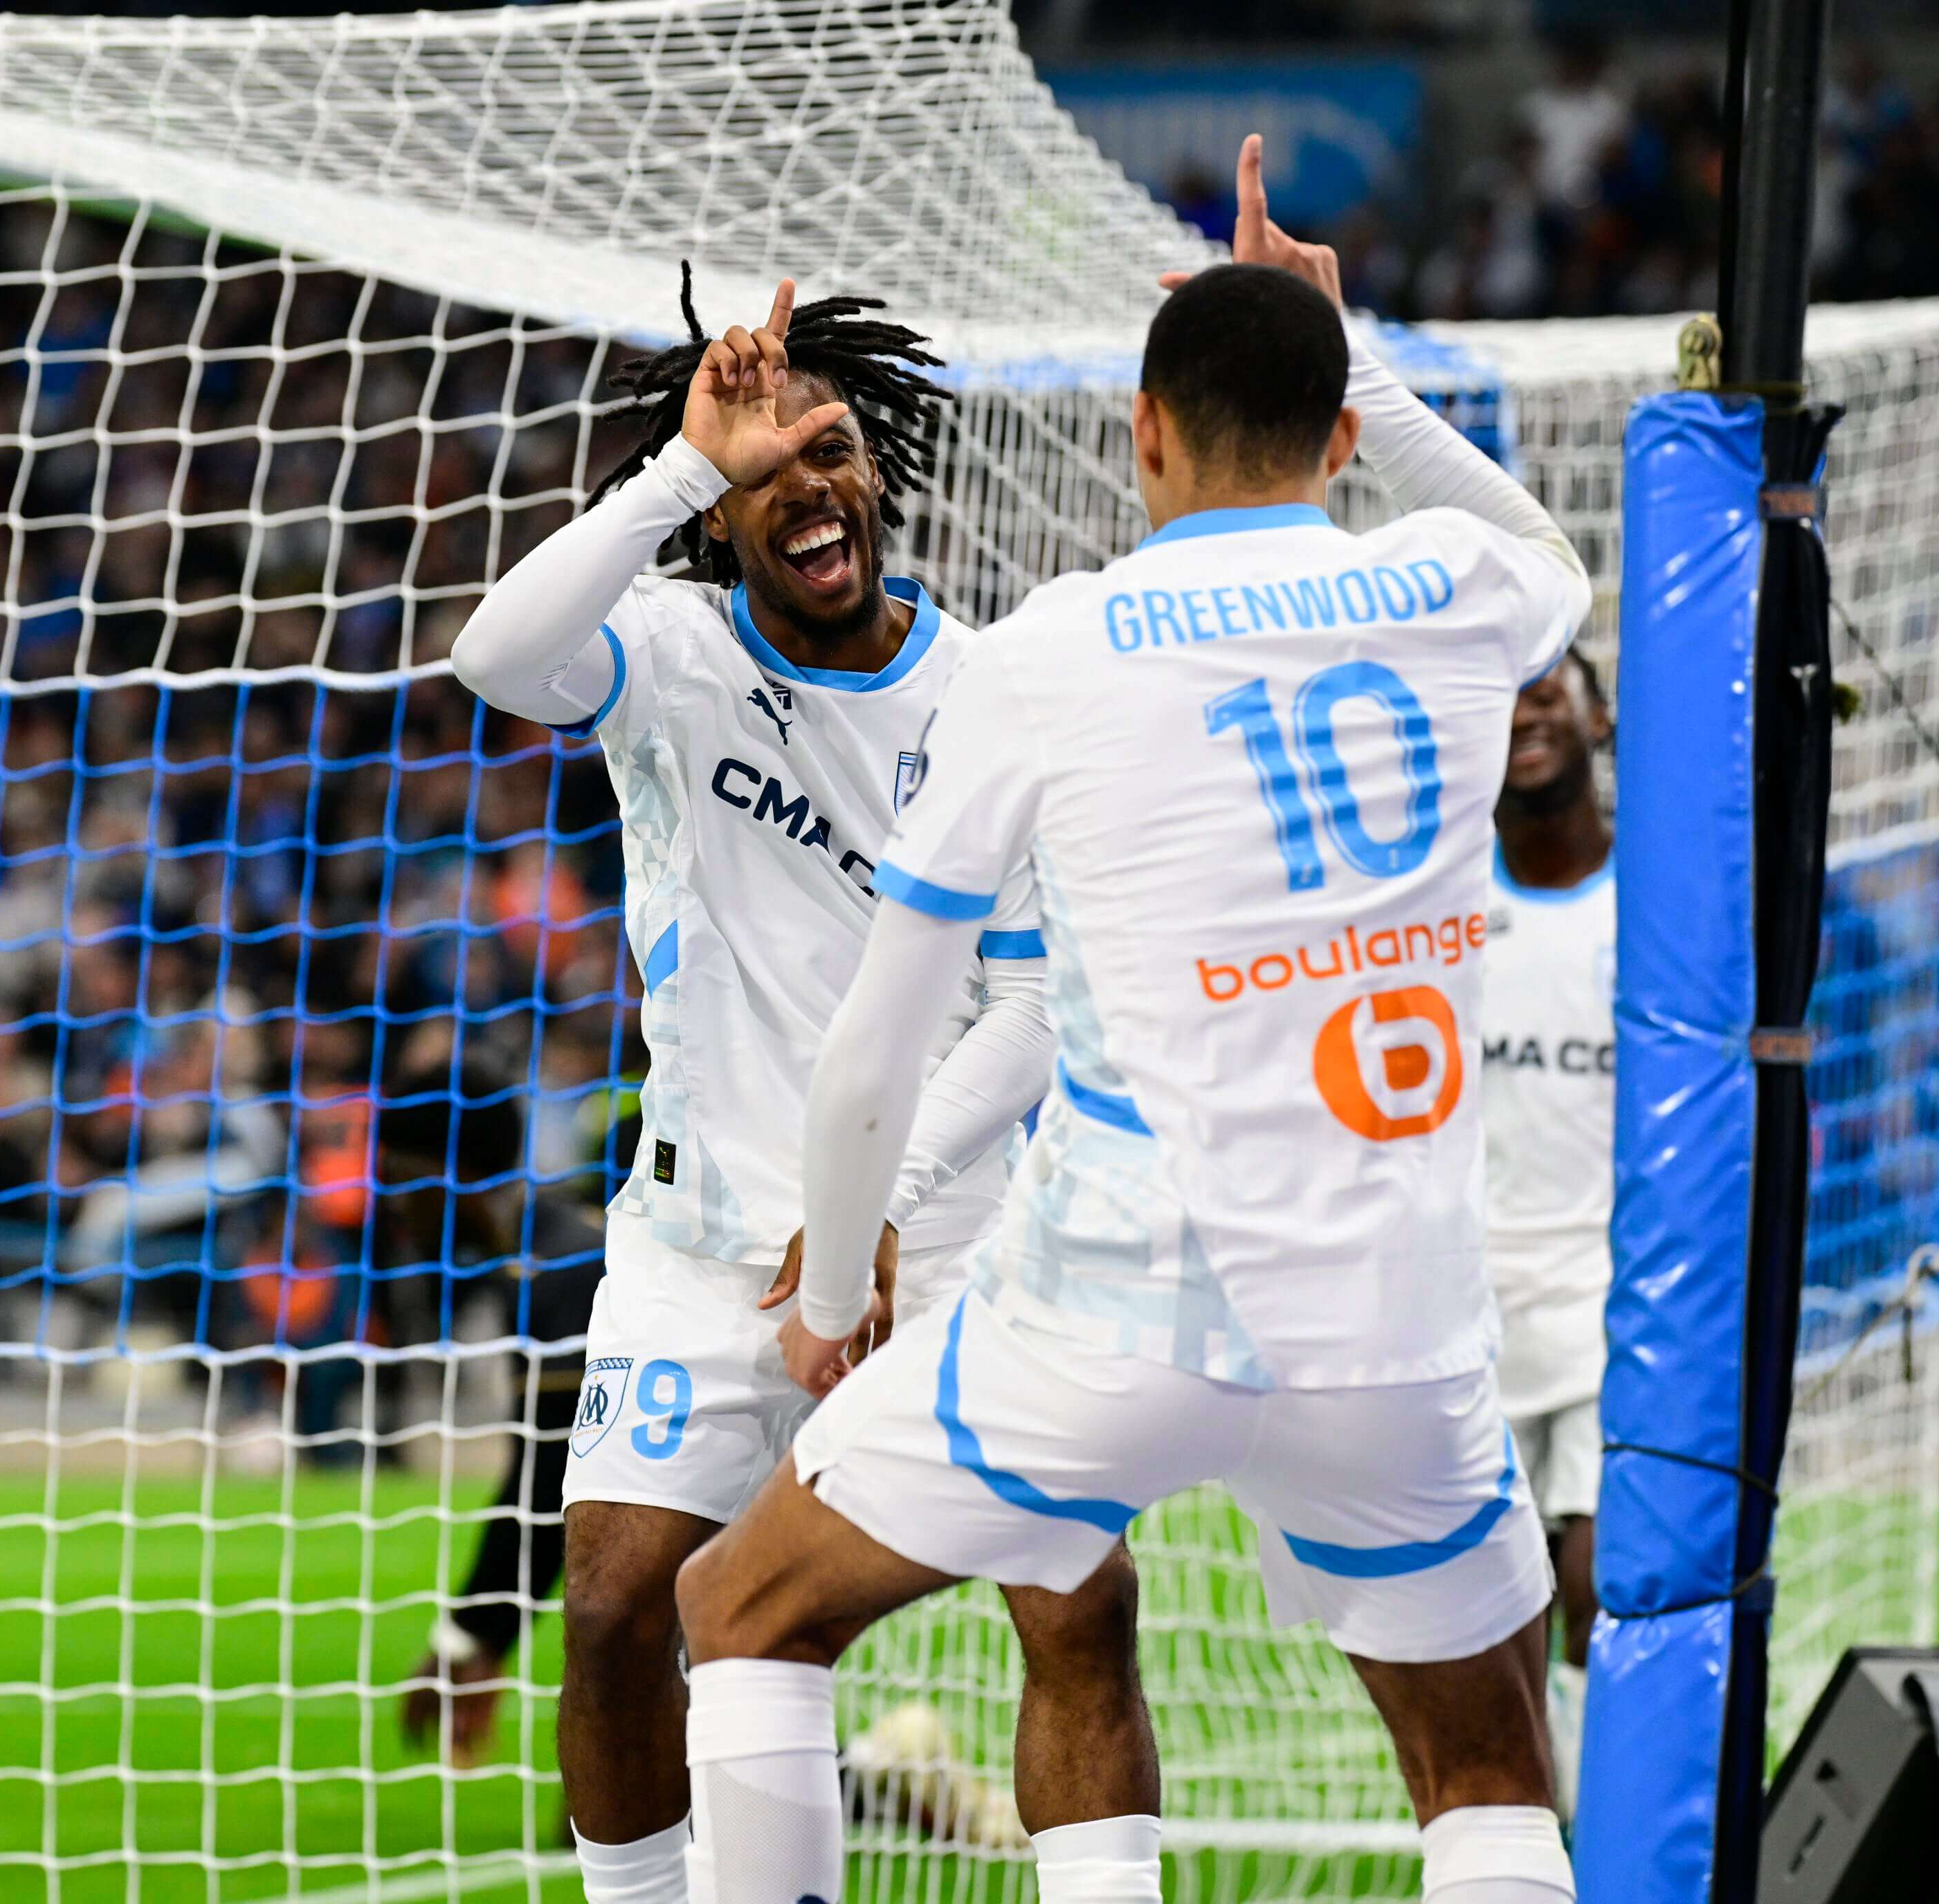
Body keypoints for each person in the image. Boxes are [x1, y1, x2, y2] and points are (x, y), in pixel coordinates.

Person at [673, 136, 1590, 1904]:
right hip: (1390, 1326)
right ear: (1336, 445)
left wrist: (845, 1272)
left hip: (1113, 1313)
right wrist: (1363, 366)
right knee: (1484, 1770)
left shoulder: (1049, 649)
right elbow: (1534, 544)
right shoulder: (1460, 596)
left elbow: (882, 1033)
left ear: (1140, 436)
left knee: (744, 1613)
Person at [450, 269, 1128, 1904]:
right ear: (719, 518)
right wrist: (678, 466)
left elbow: (1032, 1014)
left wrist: (870, 1211)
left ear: (874, 470)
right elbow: (490, 654)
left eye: (822, 448)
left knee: (1076, 1606)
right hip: (697, 1244)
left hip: (954, 1236)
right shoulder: (670, 660)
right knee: (614, 1606)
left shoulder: (991, 687)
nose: (798, 488)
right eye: (757, 474)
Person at [1481, 652, 1617, 1818]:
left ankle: (1596, 1823)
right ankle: (1526, 1817)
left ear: (1599, 713)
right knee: (1491, 1599)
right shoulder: (1431, 901)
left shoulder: (1654, 911)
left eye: (1548, 685)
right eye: (1503, 688)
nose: (1525, 706)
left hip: (1609, 1297)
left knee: (1597, 1570)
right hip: (1466, 1304)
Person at [383, 1066, 606, 1768]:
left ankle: (883, 1769)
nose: (394, 1202)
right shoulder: (554, 1247)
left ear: (452, 1171)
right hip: (671, 1538)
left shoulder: (558, 1274)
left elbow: (547, 1483)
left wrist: (473, 1639)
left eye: (400, 1177)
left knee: (639, 1792)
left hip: (684, 1535)